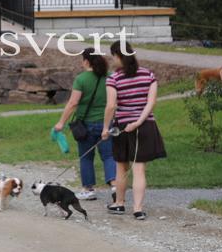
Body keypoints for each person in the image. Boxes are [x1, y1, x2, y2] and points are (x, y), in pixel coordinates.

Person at [102, 41, 166, 221]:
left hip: (122, 126)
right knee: (139, 169)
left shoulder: (113, 78)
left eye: (113, 56)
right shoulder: (148, 74)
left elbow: (111, 106)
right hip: (145, 125)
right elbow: (151, 103)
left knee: (121, 166)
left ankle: (119, 204)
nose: (112, 60)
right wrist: (138, 121)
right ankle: (138, 209)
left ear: (119, 56)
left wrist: (106, 128)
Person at [54, 48, 116, 201]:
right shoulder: (110, 77)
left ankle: (88, 189)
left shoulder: (81, 79)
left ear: (86, 61)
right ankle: (115, 186)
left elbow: (73, 103)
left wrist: (61, 122)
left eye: (82, 60)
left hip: (86, 126)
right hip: (106, 124)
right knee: (109, 156)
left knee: (86, 157)